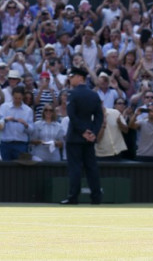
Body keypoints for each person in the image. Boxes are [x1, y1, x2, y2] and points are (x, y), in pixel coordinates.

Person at [61, 66, 103, 205]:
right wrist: (93, 132)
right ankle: (96, 197)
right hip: (89, 138)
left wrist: (82, 131)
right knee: (91, 167)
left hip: (75, 137)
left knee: (75, 168)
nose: (70, 79)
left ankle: (73, 197)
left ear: (80, 77)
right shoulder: (94, 95)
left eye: (72, 76)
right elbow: (99, 117)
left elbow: (72, 116)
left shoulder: (72, 94)